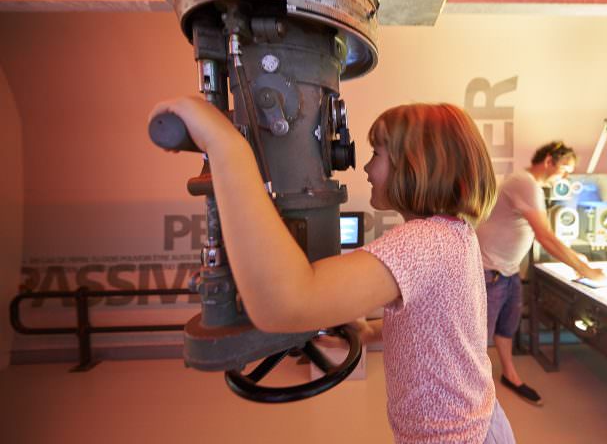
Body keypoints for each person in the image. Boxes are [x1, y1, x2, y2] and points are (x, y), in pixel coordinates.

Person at [150, 98, 515, 444]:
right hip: (480, 423)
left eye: (377, 154)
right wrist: (370, 331)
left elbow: (287, 302)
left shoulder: (423, 241)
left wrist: (226, 145)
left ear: (416, 164)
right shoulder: (454, 233)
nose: (366, 167)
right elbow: (440, 329)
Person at [476, 141, 605, 406]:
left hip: (509, 270)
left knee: (506, 326)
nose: (565, 176)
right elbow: (545, 236)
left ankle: (509, 374)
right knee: (478, 338)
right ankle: (473, 393)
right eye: (564, 169)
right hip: (491, 271)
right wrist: (585, 270)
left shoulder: (530, 186)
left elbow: (541, 232)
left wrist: (575, 258)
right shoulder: (524, 182)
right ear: (549, 161)